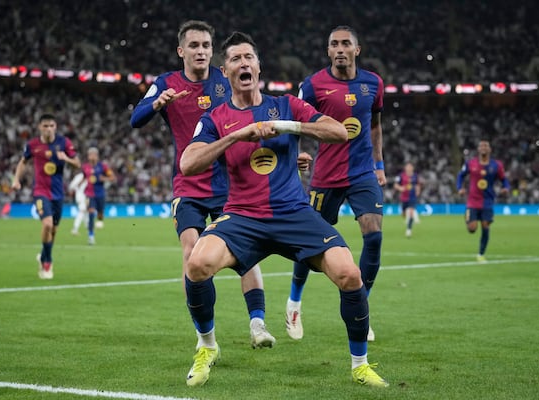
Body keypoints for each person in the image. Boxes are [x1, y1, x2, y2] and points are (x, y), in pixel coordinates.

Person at [179, 31, 388, 388]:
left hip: (293, 213)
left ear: (258, 67)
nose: (243, 63)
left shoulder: (287, 105)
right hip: (242, 217)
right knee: (197, 263)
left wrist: (286, 127)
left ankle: (360, 365)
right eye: (235, 59)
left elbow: (338, 131)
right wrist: (236, 136)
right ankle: (207, 346)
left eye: (249, 57)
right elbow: (188, 163)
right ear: (225, 71)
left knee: (349, 273)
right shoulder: (216, 117)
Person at [130, 21, 275, 349]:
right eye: (194, 46)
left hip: (229, 187)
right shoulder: (166, 83)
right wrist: (157, 104)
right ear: (181, 51)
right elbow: (135, 119)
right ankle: (204, 336)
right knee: (191, 251)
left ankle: (258, 324)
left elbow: (253, 114)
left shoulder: (225, 80)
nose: (201, 52)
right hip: (189, 187)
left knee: (245, 256)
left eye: (207, 46)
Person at [285, 25, 386, 342]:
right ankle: (294, 302)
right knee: (309, 246)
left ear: (357, 49)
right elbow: (296, 121)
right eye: (334, 44)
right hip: (326, 177)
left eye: (346, 44)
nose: (340, 48)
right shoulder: (313, 85)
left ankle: (361, 310)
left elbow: (375, 125)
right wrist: (297, 153)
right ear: (328, 51)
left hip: (362, 173)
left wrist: (379, 165)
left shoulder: (374, 83)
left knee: (374, 236)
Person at [11, 113, 81, 279]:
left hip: (58, 193)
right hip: (40, 191)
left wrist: (66, 159)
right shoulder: (33, 144)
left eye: (51, 126)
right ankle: (47, 262)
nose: (49, 129)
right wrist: (16, 180)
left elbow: (77, 164)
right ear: (40, 127)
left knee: (54, 230)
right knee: (47, 225)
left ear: (55, 127)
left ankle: (43, 254)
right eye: (45, 126)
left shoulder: (64, 143)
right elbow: (23, 162)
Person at [456, 140, 510, 262]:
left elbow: (504, 179)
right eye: (481, 146)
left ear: (490, 149)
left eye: (486, 145)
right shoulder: (471, 163)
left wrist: (506, 187)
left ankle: (480, 254)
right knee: (472, 228)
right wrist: (460, 188)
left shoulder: (497, 165)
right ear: (478, 149)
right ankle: (468, 217)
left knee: (485, 226)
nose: (483, 147)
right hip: (472, 201)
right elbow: (460, 175)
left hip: (487, 201)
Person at [81, 147, 115, 245]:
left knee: (100, 213)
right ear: (88, 156)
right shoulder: (85, 167)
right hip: (89, 194)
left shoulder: (103, 167)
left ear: (97, 156)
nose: (92, 156)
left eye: (94, 154)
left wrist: (103, 178)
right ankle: (91, 235)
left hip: (100, 193)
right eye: (90, 154)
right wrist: (79, 185)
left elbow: (112, 177)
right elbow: (84, 177)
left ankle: (100, 219)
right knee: (91, 213)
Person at [394, 162, 421, 238]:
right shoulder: (401, 176)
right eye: (407, 167)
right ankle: (407, 218)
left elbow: (418, 184)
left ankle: (409, 230)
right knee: (403, 214)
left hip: (412, 197)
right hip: (404, 198)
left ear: (412, 168)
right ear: (405, 168)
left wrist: (418, 191)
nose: (409, 168)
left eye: (410, 167)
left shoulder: (415, 176)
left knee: (411, 211)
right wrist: (400, 188)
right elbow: (395, 185)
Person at [68, 171, 88, 235]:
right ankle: (75, 229)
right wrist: (77, 187)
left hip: (85, 196)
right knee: (82, 211)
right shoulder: (80, 176)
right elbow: (71, 186)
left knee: (85, 212)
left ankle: (88, 228)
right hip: (81, 196)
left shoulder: (88, 176)